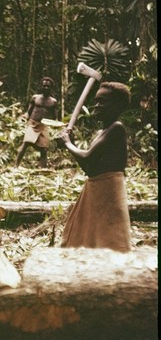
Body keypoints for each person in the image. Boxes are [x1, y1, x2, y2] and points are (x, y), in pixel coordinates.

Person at [59, 81, 131, 252]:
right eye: (96, 101)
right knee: (88, 236)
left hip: (109, 190)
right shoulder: (102, 132)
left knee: (111, 239)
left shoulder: (117, 128)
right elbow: (89, 167)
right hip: (96, 188)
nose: (97, 105)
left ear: (118, 106)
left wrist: (68, 144)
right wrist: (72, 143)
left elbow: (87, 155)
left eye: (103, 102)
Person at [16, 76, 58, 168]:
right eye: (44, 86)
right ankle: (15, 166)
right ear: (41, 86)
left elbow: (54, 117)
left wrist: (57, 124)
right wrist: (25, 117)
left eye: (48, 86)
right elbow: (29, 111)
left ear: (51, 88)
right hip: (32, 124)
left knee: (44, 149)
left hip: (43, 126)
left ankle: (43, 169)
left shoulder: (53, 102)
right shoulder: (35, 98)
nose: (46, 88)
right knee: (25, 143)